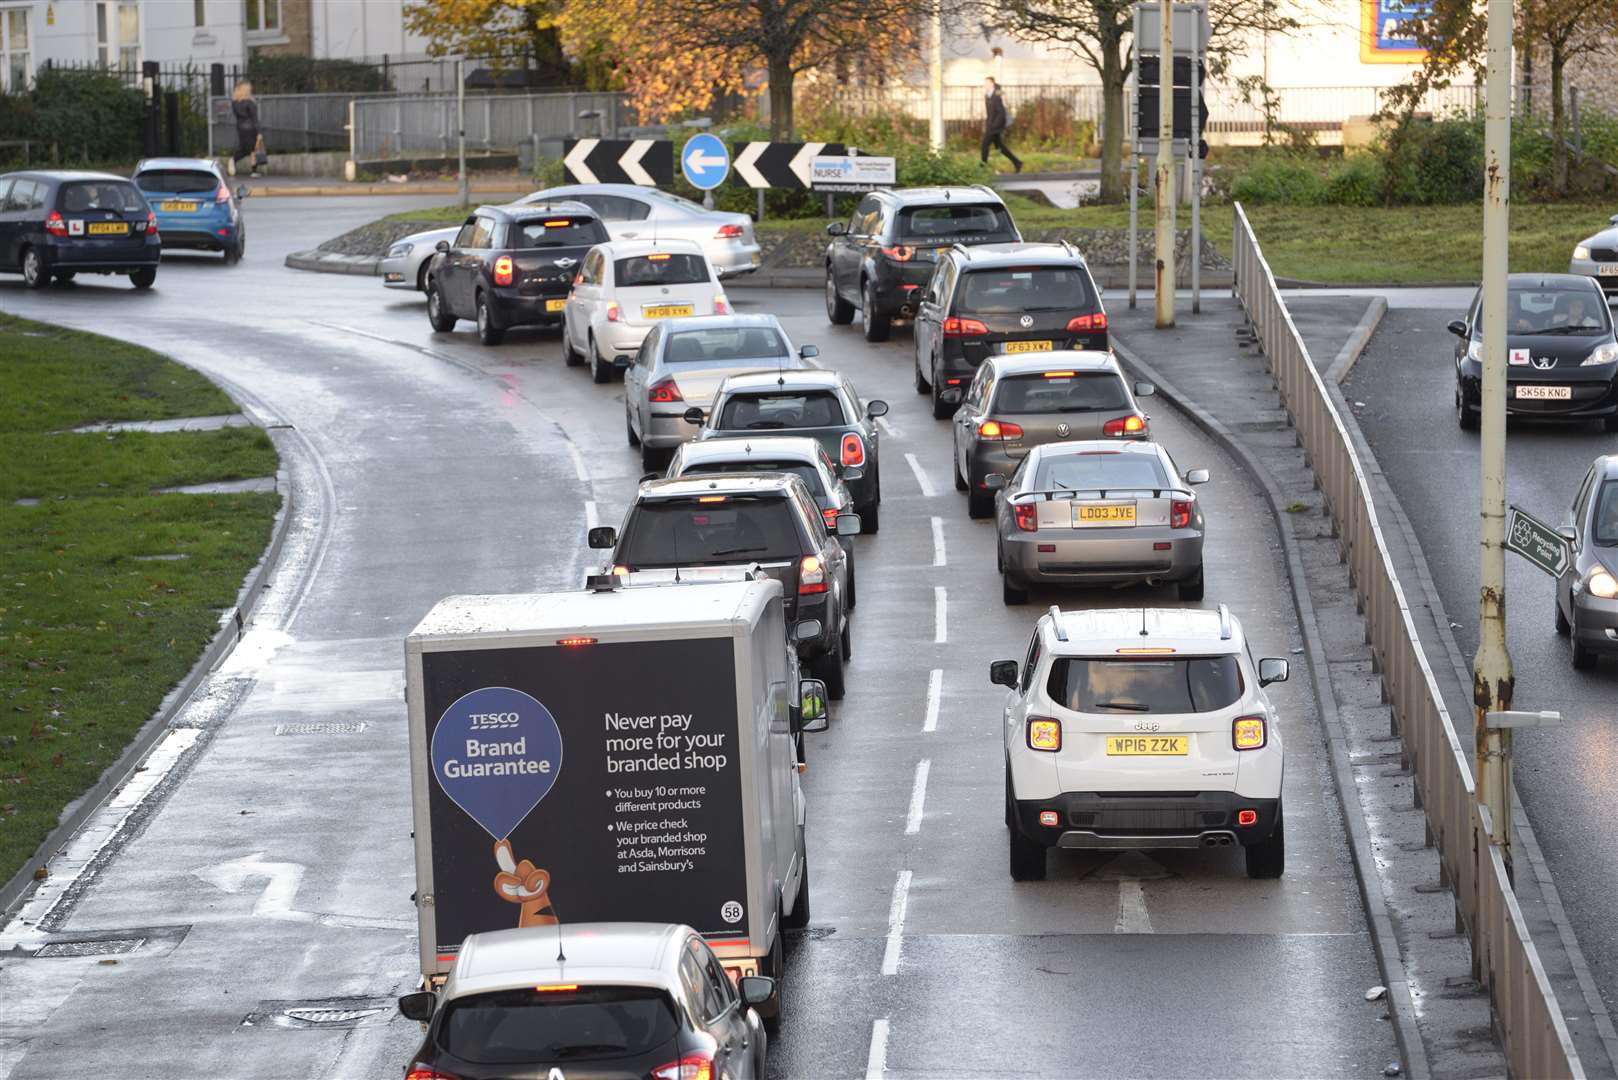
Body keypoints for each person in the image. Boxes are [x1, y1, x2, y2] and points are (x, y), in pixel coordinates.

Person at [981, 77, 1022, 173]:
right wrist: (988, 123)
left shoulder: (997, 95)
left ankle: (983, 167)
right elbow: (990, 113)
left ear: (992, 83)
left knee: (984, 145)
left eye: (986, 83)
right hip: (991, 125)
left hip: (995, 126)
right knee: (1000, 147)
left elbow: (1001, 112)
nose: (985, 85)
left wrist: (994, 125)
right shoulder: (988, 95)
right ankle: (1017, 162)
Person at [229, 81, 262, 178]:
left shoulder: (234, 103)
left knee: (248, 149)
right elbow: (254, 119)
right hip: (251, 128)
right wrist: (259, 132)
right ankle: (234, 160)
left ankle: (252, 170)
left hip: (240, 128)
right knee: (252, 150)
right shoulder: (250, 103)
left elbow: (238, 116)